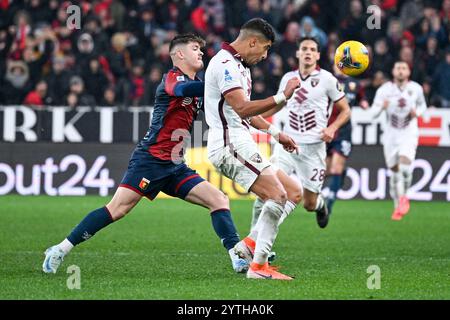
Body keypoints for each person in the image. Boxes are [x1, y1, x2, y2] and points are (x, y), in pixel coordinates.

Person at [42, 34, 249, 275]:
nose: (202, 52)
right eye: (196, 48)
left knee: (219, 199)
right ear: (179, 54)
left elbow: (225, 108)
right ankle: (60, 249)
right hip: (150, 160)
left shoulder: (200, 86)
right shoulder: (172, 78)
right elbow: (181, 89)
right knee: (117, 209)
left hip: (175, 165)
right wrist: (216, 85)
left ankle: (238, 256)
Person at [204, 18, 302, 280]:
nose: (265, 55)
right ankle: (258, 267)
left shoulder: (241, 66)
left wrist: (276, 133)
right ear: (253, 42)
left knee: (293, 192)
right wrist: (283, 96)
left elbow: (246, 115)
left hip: (241, 140)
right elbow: (243, 108)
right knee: (277, 196)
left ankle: (247, 246)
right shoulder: (225, 64)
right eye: (266, 48)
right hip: (229, 144)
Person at [265, 37, 351, 229]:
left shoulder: (328, 79)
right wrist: (255, 115)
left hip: (314, 148)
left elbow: (346, 110)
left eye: (312, 49)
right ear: (298, 53)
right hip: (288, 144)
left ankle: (321, 206)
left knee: (309, 204)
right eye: (304, 49)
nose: (308, 52)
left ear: (318, 55)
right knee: (272, 187)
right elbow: (279, 104)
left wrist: (332, 128)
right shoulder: (288, 78)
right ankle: (258, 240)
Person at [371, 61, 427, 220]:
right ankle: (398, 206)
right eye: (398, 68)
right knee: (395, 175)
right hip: (390, 135)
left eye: (404, 68)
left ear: (408, 72)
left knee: (405, 170)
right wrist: (382, 106)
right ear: (393, 71)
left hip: (409, 133)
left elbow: (423, 106)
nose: (401, 71)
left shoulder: (416, 88)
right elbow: (372, 113)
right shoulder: (384, 90)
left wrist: (418, 112)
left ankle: (404, 197)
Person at [324, 64, 369, 215]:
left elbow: (362, 100)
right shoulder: (326, 80)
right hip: (325, 130)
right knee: (325, 170)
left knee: (336, 167)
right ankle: (340, 175)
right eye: (337, 65)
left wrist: (364, 104)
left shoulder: (355, 84)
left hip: (344, 131)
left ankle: (330, 200)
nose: (339, 68)